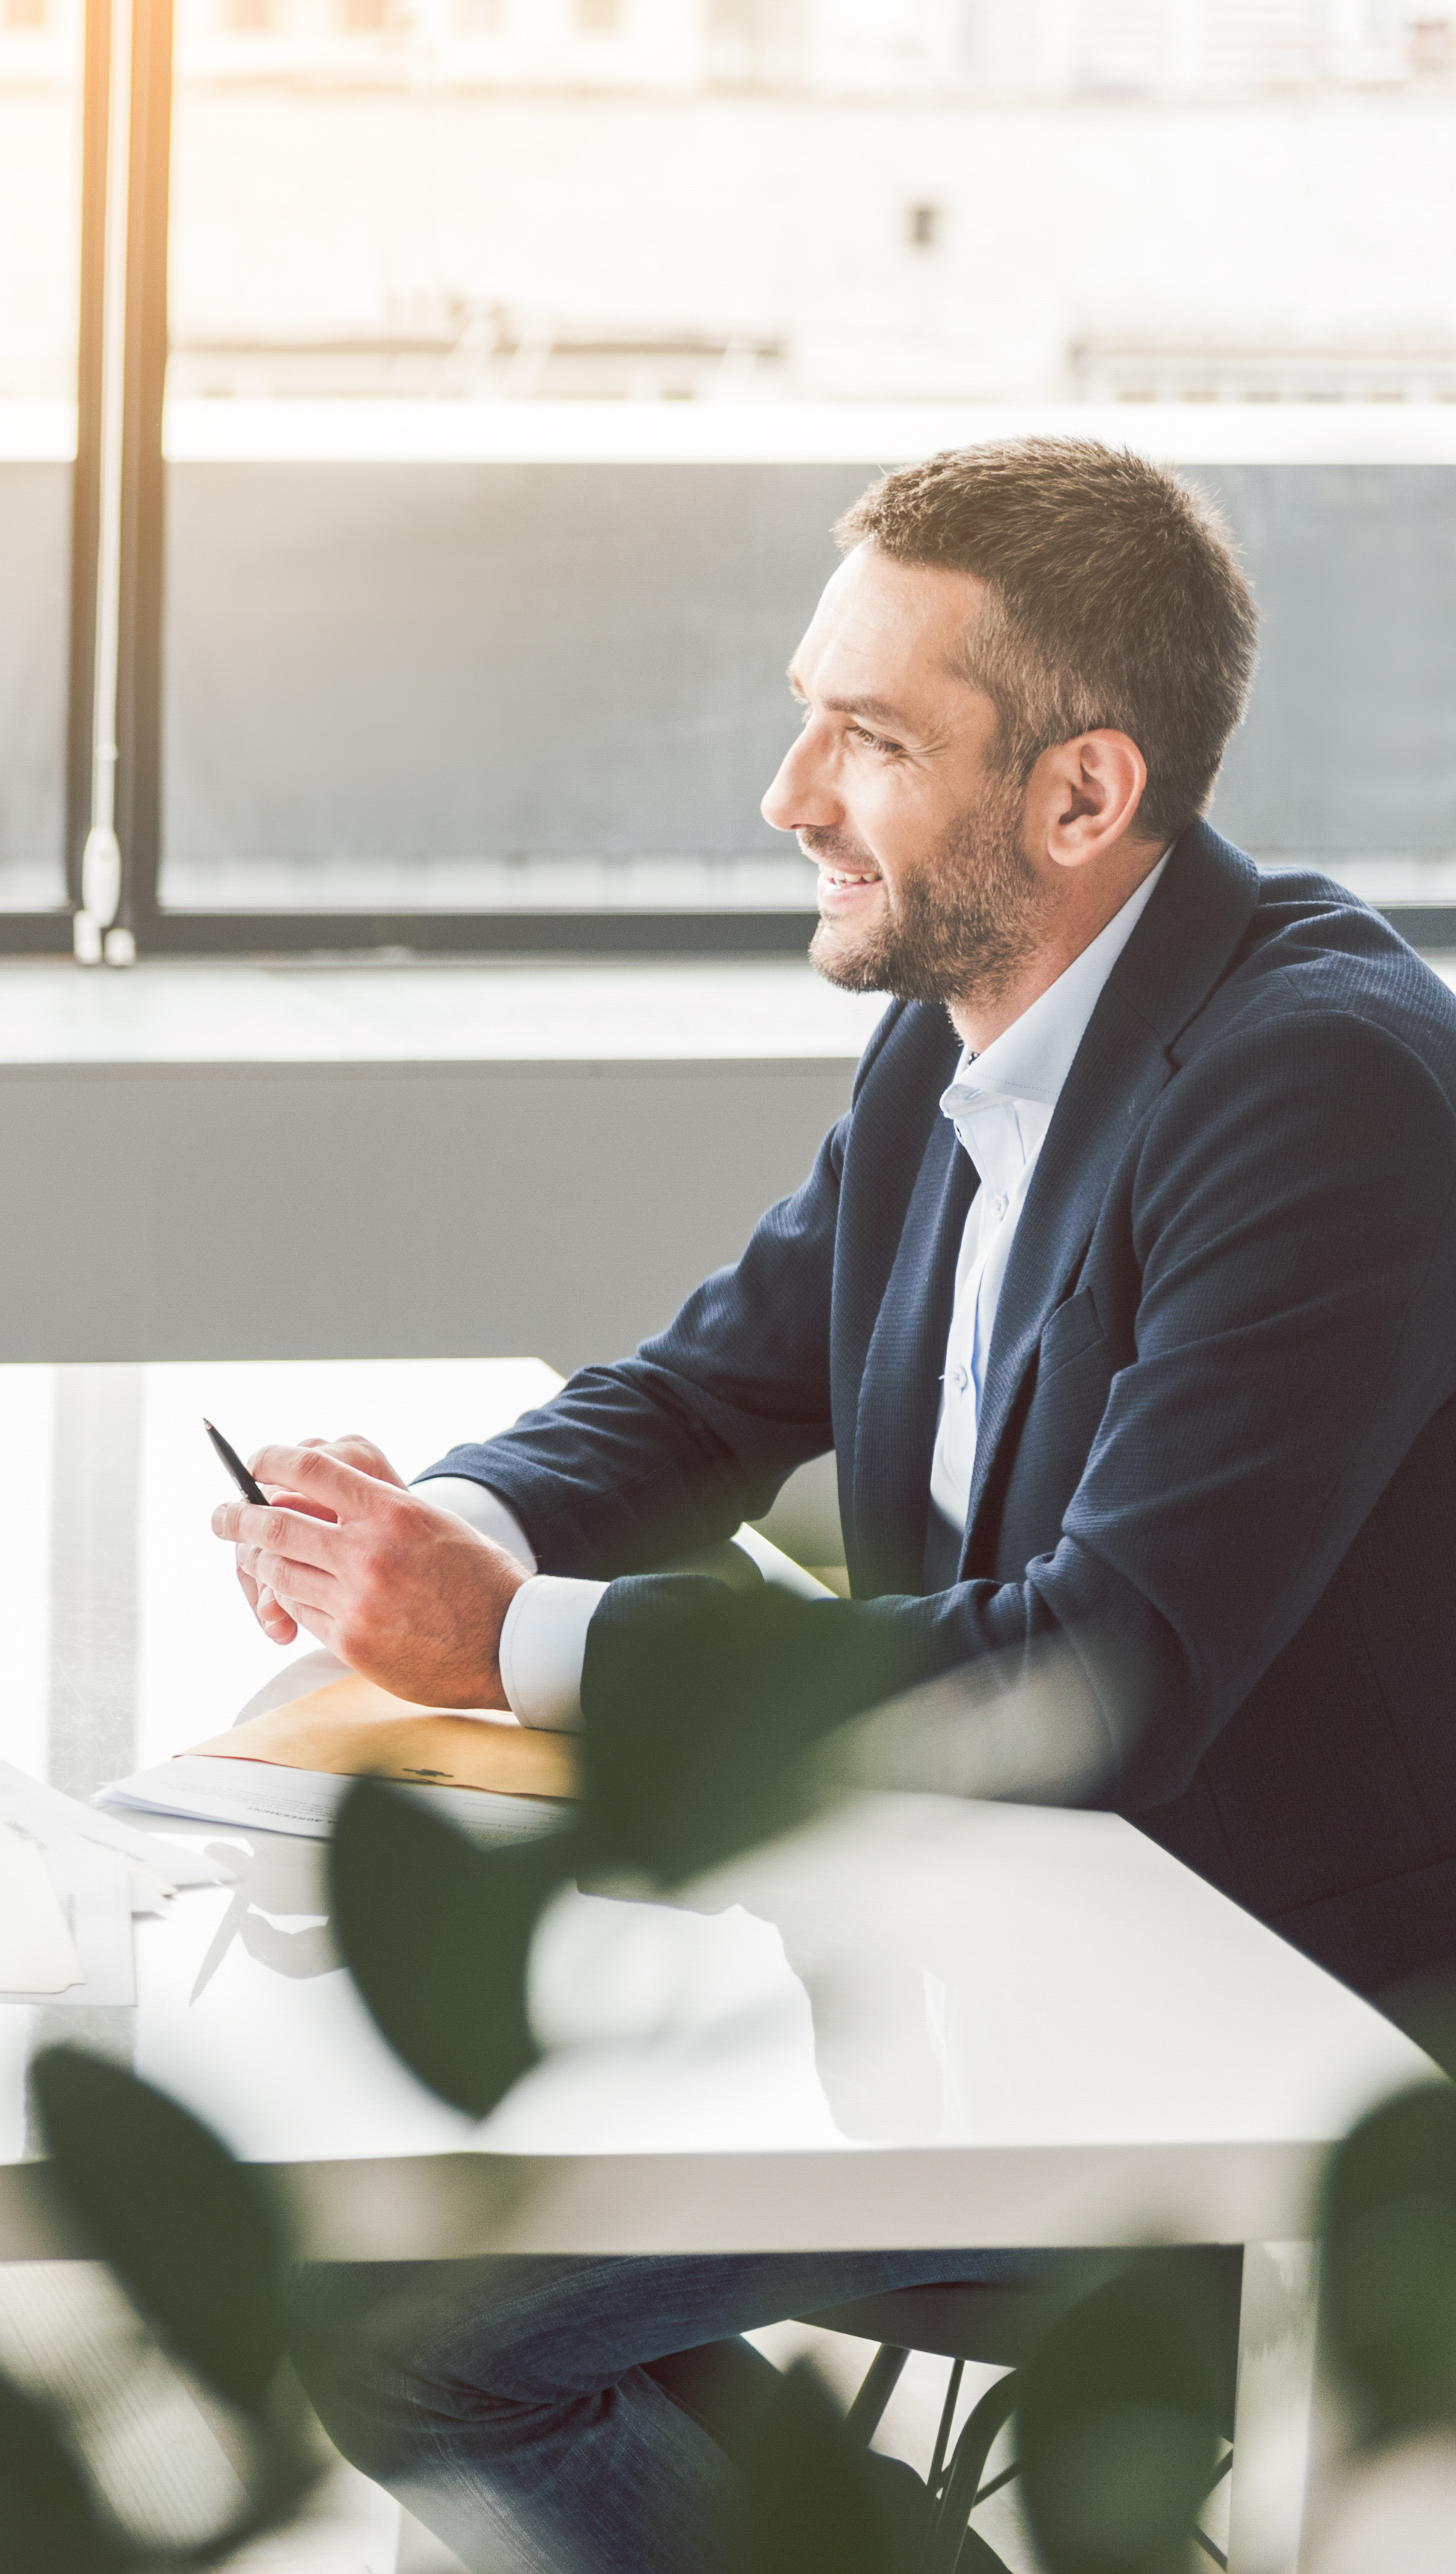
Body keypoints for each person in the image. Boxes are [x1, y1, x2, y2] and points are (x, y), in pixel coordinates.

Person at [207, 438, 1456, 2572]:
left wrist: (502, 1644)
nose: (793, 792)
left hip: (1228, 2028)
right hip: (959, 1941)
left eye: (869, 738)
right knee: (394, 2221)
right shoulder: (974, 1023)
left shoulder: (1321, 1083)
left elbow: (1101, 1674)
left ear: (1082, 796)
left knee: (417, 2323)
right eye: (810, 712)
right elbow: (714, 1382)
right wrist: (449, 1526)